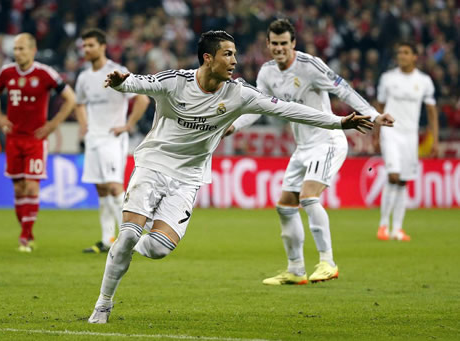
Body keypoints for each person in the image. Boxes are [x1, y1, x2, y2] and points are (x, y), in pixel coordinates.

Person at [88, 30, 374, 324]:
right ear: (208, 58)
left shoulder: (238, 94)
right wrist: (121, 84)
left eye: (235, 54)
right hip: (153, 165)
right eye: (228, 54)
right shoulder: (176, 81)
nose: (235, 61)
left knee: (159, 248)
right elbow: (137, 82)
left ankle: (125, 250)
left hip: (189, 177)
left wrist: (338, 122)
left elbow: (289, 109)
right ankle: (103, 304)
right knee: (128, 233)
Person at [225, 19, 394, 285]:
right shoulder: (267, 73)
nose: (279, 48)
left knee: (308, 197)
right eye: (275, 44)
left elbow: (343, 89)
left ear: (293, 44)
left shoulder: (310, 66)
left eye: (284, 43)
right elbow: (257, 108)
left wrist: (373, 115)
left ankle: (328, 262)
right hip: (302, 146)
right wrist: (233, 126)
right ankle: (295, 269)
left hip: (327, 141)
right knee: (285, 206)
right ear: (268, 44)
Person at [0, 33, 76, 252]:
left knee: (31, 185)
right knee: (18, 189)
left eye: (22, 49)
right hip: (13, 139)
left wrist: (53, 124)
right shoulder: (6, 73)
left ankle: (25, 237)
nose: (17, 53)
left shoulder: (45, 73)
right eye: (15, 49)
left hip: (35, 139)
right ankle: (27, 231)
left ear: (33, 50)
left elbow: (70, 98)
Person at [75, 28, 150, 254]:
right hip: (93, 139)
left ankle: (128, 240)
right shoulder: (84, 77)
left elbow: (142, 99)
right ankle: (108, 239)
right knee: (101, 189)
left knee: (114, 186)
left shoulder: (117, 71)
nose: (86, 49)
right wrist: (84, 125)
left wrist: (128, 125)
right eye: (84, 46)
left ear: (102, 46)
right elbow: (79, 103)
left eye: (91, 45)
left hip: (112, 137)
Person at [375, 41, 438, 242]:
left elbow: (431, 111)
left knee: (403, 180)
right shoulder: (387, 79)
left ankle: (397, 229)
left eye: (405, 52)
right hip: (390, 132)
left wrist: (434, 138)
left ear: (414, 57)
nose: (401, 55)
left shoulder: (424, 81)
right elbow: (379, 106)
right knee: (393, 176)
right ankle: (383, 225)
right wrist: (376, 133)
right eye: (399, 52)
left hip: (411, 135)